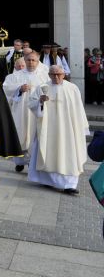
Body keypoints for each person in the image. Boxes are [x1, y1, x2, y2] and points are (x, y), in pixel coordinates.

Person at [25, 66, 91, 195]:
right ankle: (47, 180)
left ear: (64, 74)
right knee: (48, 151)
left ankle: (69, 184)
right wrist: (40, 101)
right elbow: (31, 103)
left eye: (59, 74)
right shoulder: (42, 87)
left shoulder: (72, 88)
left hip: (68, 129)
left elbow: (79, 109)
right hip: (48, 128)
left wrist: (81, 127)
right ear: (49, 75)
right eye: (53, 74)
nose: (56, 77)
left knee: (69, 154)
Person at [2, 53, 49, 172]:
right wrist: (19, 88)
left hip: (37, 112)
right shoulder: (14, 76)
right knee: (20, 134)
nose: (31, 62)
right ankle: (20, 162)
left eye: (33, 60)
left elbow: (50, 91)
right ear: (25, 61)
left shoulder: (44, 77)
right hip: (20, 111)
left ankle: (32, 164)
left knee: (35, 136)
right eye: (28, 60)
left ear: (38, 62)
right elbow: (6, 88)